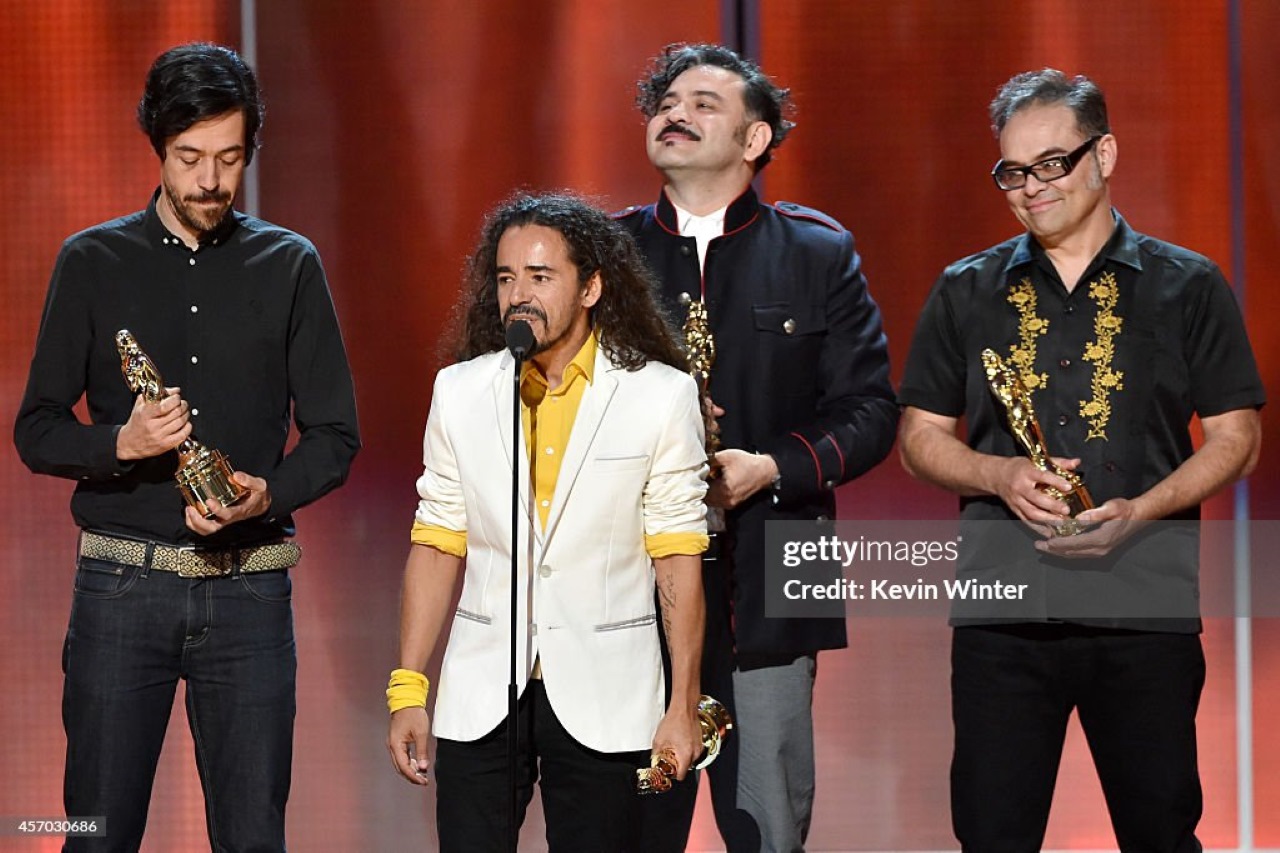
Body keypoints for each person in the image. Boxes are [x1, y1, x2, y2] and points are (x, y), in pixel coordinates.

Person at [897, 69, 1263, 851]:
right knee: (993, 834)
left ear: (1105, 155)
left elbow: (1238, 437)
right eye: (1013, 171)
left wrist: (1142, 509)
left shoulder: (1189, 285)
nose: (1031, 187)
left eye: (1052, 163)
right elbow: (919, 437)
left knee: (1160, 831)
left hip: (1146, 610)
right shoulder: (965, 290)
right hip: (1003, 617)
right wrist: (996, 473)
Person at [13, 42, 360, 852]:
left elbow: (337, 436)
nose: (211, 180)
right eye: (190, 158)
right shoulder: (93, 261)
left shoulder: (289, 265)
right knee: (93, 832)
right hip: (120, 591)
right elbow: (36, 427)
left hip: (248, 594)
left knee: (252, 837)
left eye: (230, 158)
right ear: (158, 148)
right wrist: (121, 443)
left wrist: (265, 494)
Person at [617, 43, 899, 852]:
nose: (677, 110)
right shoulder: (602, 255)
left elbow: (870, 410)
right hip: (627, 596)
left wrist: (770, 466)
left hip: (774, 580)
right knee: (628, 825)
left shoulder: (817, 252)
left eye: (705, 102)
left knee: (767, 826)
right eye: (667, 98)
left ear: (755, 140)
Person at [385, 192, 709, 852]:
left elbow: (676, 554)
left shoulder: (659, 396)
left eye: (540, 277)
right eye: (505, 278)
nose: (518, 295)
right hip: (482, 694)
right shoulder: (462, 391)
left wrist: (682, 704)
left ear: (591, 286)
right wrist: (408, 686)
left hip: (608, 695)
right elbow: (438, 540)